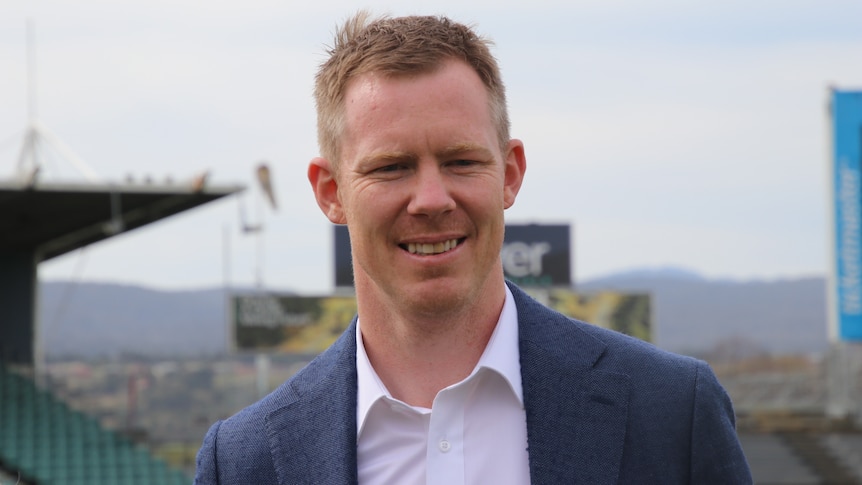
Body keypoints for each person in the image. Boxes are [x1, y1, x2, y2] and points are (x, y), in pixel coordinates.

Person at [194, 12, 752, 484]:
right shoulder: (246, 462)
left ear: (510, 174)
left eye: (462, 161)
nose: (432, 199)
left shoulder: (673, 412)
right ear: (331, 192)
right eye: (392, 167)